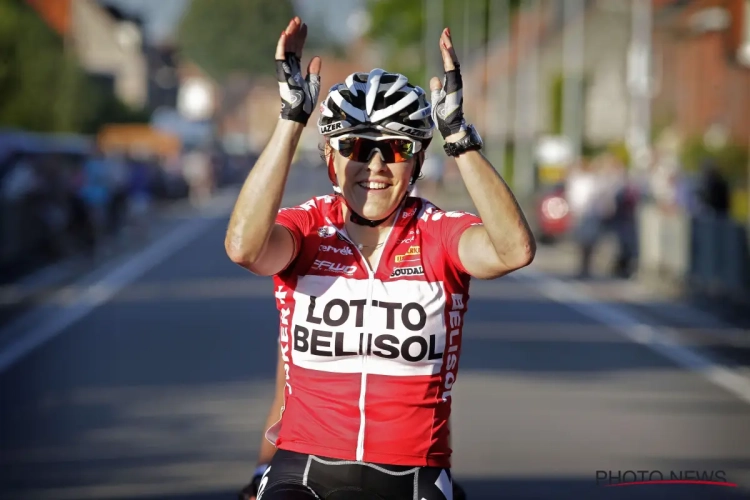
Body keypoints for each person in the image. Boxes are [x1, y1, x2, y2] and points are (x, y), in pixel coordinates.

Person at [226, 17, 535, 500]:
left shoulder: (438, 234)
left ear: (416, 161)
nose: (373, 166)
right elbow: (244, 247)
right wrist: (290, 120)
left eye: (393, 150)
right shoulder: (308, 228)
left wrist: (457, 135)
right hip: (304, 468)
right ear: (330, 158)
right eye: (355, 147)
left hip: (412, 474)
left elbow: (514, 250)